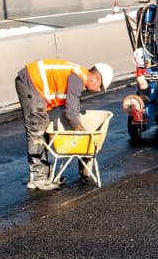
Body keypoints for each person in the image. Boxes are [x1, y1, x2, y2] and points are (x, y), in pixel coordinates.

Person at [14, 60, 113, 190]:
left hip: (32, 82)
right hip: (30, 82)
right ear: (95, 78)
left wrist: (77, 125)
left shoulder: (78, 77)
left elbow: (73, 110)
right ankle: (38, 178)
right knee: (37, 128)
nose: (98, 90)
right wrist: (84, 134)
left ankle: (44, 173)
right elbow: (71, 114)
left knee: (44, 126)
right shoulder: (78, 79)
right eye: (100, 86)